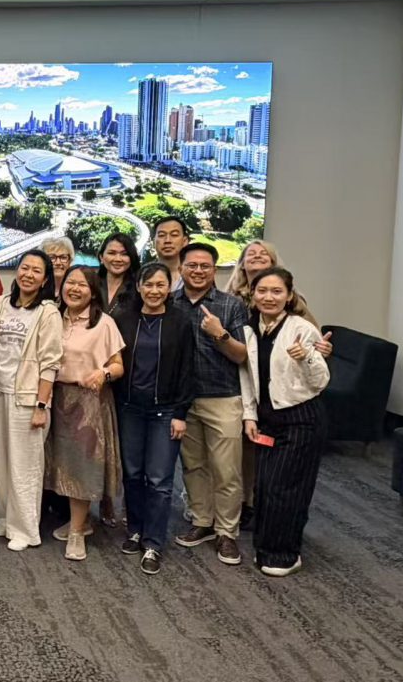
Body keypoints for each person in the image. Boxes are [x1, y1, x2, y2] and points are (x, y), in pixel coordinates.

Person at [223, 238, 333, 530]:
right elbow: (244, 365)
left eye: (264, 254)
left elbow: (314, 347)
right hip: (252, 397)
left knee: (284, 478)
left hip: (292, 404)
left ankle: (277, 528)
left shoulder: (295, 314)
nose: (268, 297)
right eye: (251, 253)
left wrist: (313, 353)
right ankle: (254, 513)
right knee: (255, 466)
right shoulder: (232, 301)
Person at [240, 267, 330, 577]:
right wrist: (249, 415)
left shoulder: (302, 329)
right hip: (267, 420)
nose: (269, 297)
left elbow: (321, 381)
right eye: (262, 291)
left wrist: (306, 356)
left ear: (289, 296)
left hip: (300, 419)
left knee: (288, 488)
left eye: (277, 291)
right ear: (253, 294)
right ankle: (266, 548)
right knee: (265, 487)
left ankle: (286, 554)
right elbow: (247, 377)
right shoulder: (250, 330)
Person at [112, 263, 195, 575]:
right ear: (139, 287)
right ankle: (135, 529)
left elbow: (188, 370)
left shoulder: (180, 321)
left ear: (169, 287)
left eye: (161, 285)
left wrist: (181, 414)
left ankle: (153, 543)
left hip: (166, 411)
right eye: (148, 285)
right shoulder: (123, 318)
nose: (154, 291)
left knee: (159, 480)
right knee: (132, 474)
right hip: (129, 408)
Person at [171, 243, 249, 566]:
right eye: (192, 265)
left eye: (205, 266)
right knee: (193, 466)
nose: (198, 271)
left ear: (215, 270)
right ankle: (202, 521)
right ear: (181, 269)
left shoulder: (231, 305)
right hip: (183, 400)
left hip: (223, 397)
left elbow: (242, 356)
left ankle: (227, 532)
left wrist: (219, 334)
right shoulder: (170, 302)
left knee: (226, 469)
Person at [0, 250, 63, 552]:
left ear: (45, 279)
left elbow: (51, 363)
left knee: (25, 466)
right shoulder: (2, 304)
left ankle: (26, 529)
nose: (28, 274)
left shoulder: (48, 312)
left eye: (36, 271)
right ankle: (5, 518)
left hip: (28, 399)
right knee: (5, 461)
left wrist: (42, 406)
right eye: (24, 268)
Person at [47, 265, 125, 561]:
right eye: (70, 282)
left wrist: (103, 373)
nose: (74, 289)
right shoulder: (54, 317)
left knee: (82, 466)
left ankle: (77, 532)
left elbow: (118, 365)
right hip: (55, 397)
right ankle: (79, 521)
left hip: (88, 402)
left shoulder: (103, 323)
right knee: (61, 464)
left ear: (93, 292)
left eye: (82, 285)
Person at [98, 232, 141, 316]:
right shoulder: (90, 283)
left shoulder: (139, 287)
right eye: (112, 253)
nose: (118, 259)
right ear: (101, 257)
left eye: (124, 254)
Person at [152, 216, 190, 290]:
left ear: (185, 241)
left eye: (174, 235)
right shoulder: (142, 274)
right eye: (161, 235)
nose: (167, 240)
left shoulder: (195, 274)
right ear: (154, 242)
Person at [40, 236, 75, 304]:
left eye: (63, 257)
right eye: (52, 257)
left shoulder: (75, 289)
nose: (58, 263)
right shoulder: (36, 287)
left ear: (70, 260)